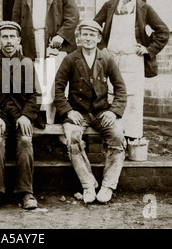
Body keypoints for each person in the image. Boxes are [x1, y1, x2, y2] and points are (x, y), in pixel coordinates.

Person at [94, 0, 169, 146]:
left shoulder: (144, 8)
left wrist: (148, 50)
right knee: (110, 95)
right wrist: (102, 48)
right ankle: (111, 137)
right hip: (111, 58)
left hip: (133, 60)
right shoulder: (110, 5)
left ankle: (132, 138)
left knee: (133, 98)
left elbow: (163, 32)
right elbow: (95, 26)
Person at [54, 20, 127, 204]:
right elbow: (57, 89)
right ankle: (88, 185)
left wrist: (113, 112)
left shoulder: (106, 58)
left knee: (118, 138)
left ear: (98, 38)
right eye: (84, 34)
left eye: (92, 35)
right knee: (73, 139)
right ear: (79, 37)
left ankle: (108, 185)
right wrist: (69, 112)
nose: (88, 38)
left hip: (102, 112)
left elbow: (121, 89)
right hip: (77, 112)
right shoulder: (70, 59)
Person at [0, 21, 42, 211]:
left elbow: (36, 95)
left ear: (19, 40)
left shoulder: (27, 63)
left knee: (25, 141)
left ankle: (25, 192)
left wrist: (27, 116)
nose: (8, 41)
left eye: (12, 37)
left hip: (20, 116)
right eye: (4, 37)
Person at [11, 0, 79, 123]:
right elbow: (16, 17)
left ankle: (53, 119)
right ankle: (36, 117)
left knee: (54, 77)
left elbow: (73, 15)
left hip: (53, 40)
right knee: (35, 77)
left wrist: (60, 35)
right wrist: (18, 39)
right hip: (30, 39)